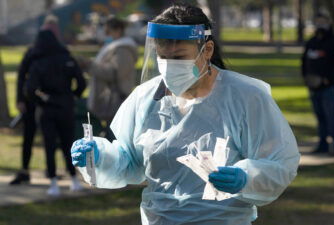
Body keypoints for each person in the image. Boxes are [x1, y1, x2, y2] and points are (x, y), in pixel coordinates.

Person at [71, 4, 300, 224]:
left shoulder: (245, 97)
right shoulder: (146, 98)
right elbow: (130, 162)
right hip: (159, 219)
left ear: (207, 50)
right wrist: (100, 157)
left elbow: (279, 163)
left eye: (179, 58)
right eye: (163, 57)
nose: (170, 66)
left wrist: (247, 178)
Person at [26, 30, 86, 196]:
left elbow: (30, 89)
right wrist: (73, 96)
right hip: (66, 106)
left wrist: (41, 101)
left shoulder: (37, 63)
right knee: (68, 144)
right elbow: (81, 83)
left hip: (46, 109)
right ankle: (73, 178)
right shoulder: (67, 59)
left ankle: (53, 182)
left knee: (49, 145)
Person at [9, 14, 62, 185]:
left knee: (51, 137)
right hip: (31, 100)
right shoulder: (32, 52)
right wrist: (20, 99)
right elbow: (21, 76)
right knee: (28, 136)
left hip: (49, 102)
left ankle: (50, 169)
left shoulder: (59, 52)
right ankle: (24, 170)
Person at [77, 16, 138, 141]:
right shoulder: (117, 46)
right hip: (110, 100)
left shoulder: (123, 49)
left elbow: (114, 73)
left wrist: (90, 65)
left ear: (118, 30)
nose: (106, 35)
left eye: (108, 32)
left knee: (114, 137)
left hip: (116, 100)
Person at [301, 13, 334, 156]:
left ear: (329, 23)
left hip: (328, 87)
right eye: (317, 22)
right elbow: (304, 61)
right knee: (319, 117)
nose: (320, 25)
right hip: (313, 87)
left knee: (331, 117)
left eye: (323, 22)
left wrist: (329, 79)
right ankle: (323, 144)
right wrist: (305, 78)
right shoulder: (312, 42)